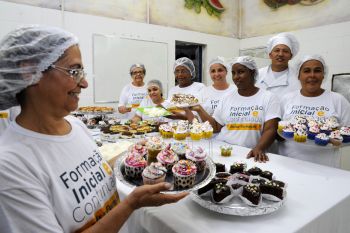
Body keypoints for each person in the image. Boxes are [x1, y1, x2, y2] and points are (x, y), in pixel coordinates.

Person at [0, 25, 187, 233]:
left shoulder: (76, 126)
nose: (85, 83)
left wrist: (135, 151)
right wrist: (131, 204)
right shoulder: (11, 166)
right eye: (74, 71)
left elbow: (91, 169)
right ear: (29, 72)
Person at [188, 56, 281, 162]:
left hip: (249, 153)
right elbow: (216, 126)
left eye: (241, 72)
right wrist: (199, 109)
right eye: (234, 73)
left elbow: (271, 128)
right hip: (224, 150)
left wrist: (259, 147)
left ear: (252, 73)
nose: (236, 77)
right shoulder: (227, 98)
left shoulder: (268, 97)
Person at [279, 55, 350, 167]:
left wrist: (332, 139)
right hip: (289, 164)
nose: (312, 75)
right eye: (306, 71)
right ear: (298, 75)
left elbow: (347, 132)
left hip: (326, 167)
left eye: (317, 71)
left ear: (323, 75)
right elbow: (278, 131)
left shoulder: (338, 100)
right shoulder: (287, 99)